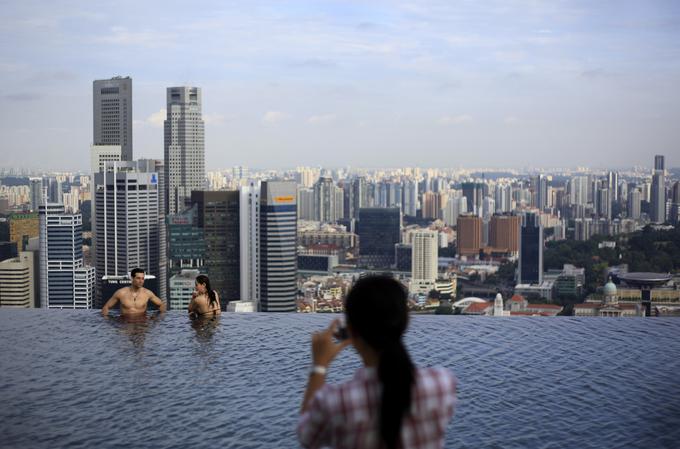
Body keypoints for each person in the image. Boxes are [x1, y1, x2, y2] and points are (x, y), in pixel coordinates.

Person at [298, 276, 457, 449]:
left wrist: (319, 367)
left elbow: (307, 437)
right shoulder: (442, 384)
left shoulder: (336, 402)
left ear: (351, 330)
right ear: (405, 322)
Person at [101, 268, 167, 316]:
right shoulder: (121, 293)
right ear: (132, 279)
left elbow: (162, 305)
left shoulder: (147, 293)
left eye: (142, 278)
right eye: (138, 278)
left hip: (142, 324)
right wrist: (108, 323)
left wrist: (156, 318)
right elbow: (106, 307)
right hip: (125, 324)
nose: (141, 281)